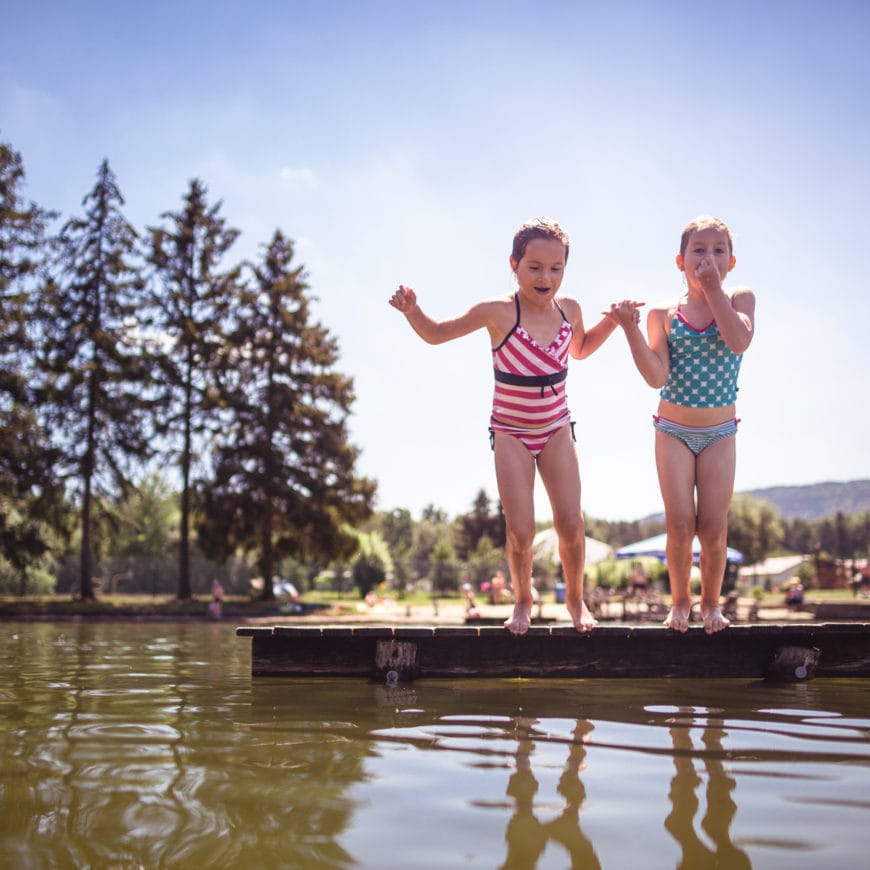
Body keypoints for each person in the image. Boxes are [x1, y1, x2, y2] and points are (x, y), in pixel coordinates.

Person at [389, 217, 630, 634]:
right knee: (520, 528)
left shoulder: (569, 309)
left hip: (555, 427)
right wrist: (414, 311)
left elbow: (583, 347)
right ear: (514, 264)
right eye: (534, 267)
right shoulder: (498, 311)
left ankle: (576, 600)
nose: (546, 277)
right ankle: (522, 600)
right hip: (511, 432)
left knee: (571, 523)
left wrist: (615, 321)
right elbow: (437, 333)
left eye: (556, 268)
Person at [609, 216, 755, 634]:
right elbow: (656, 376)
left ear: (731, 261)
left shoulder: (740, 299)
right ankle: (679, 603)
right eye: (699, 250)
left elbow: (738, 341)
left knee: (712, 526)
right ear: (680, 261)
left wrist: (713, 291)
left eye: (718, 250)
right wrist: (631, 330)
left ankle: (711, 604)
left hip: (720, 434)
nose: (708, 257)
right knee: (679, 525)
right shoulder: (663, 314)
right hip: (672, 429)